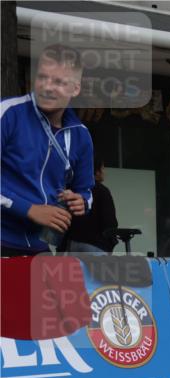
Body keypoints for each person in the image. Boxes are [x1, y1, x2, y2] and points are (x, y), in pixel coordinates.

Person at [1, 44, 94, 256]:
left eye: (59, 82)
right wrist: (28, 209)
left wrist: (81, 202)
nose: (47, 87)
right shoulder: (7, 113)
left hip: (39, 246)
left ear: (75, 88)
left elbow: (86, 191)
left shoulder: (81, 135)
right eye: (42, 77)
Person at [61, 157, 118, 254]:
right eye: (103, 168)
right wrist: (111, 243)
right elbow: (110, 222)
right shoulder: (102, 191)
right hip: (95, 245)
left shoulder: (74, 190)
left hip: (73, 243)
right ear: (97, 171)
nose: (104, 172)